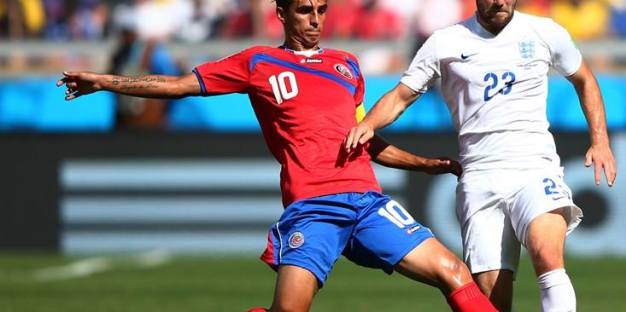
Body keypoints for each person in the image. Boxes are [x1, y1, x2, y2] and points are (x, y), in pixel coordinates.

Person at [57, 1, 498, 311]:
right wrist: (105, 80)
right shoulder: (258, 63)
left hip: (367, 203)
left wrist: (428, 164)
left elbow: (362, 139)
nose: (315, 20)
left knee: (453, 273)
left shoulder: (347, 66)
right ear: (282, 12)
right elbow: (175, 86)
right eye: (305, 10)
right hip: (313, 210)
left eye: (322, 10)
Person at [345, 0, 617, 311]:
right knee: (491, 301)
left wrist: (600, 140)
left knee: (547, 254)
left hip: (534, 167)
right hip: (479, 178)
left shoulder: (545, 32)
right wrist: (366, 125)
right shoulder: (445, 42)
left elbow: (585, 79)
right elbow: (401, 97)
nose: (500, 1)